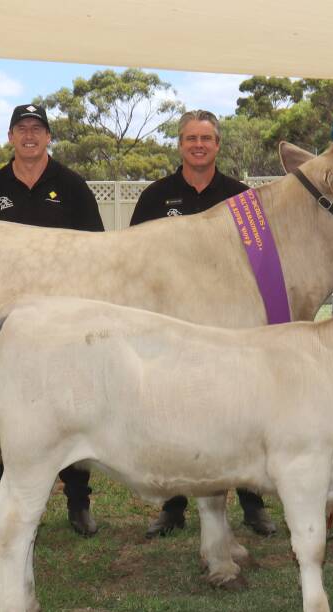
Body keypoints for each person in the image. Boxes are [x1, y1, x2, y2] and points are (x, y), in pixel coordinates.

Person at [130, 109, 277, 538]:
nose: (198, 145)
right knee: (171, 414)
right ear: (180, 144)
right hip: (170, 330)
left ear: (217, 145)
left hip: (230, 333)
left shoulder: (243, 200)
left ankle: (253, 504)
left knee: (240, 412)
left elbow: (264, 265)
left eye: (206, 138)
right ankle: (172, 508)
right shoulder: (155, 197)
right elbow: (136, 262)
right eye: (191, 138)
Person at [0, 103, 103, 537]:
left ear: (49, 138)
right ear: (10, 137)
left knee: (70, 408)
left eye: (37, 129)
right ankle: (1, 500)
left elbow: (95, 251)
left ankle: (78, 502)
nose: (29, 136)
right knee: (9, 409)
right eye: (21, 129)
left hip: (63, 319)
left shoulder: (71, 186)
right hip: (9, 321)